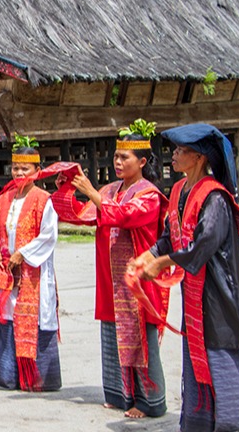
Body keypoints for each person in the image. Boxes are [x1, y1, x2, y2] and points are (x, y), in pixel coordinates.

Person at [133, 123, 239, 432]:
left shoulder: (214, 198)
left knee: (219, 357)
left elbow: (202, 246)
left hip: (221, 295)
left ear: (200, 158)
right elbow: (171, 235)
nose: (174, 155)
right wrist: (150, 253)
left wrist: (163, 262)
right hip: (196, 293)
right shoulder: (179, 190)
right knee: (195, 359)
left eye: (181, 150)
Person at [52, 119, 169, 418]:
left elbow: (124, 216)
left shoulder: (149, 195)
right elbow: (80, 215)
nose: (117, 162)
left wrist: (92, 192)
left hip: (136, 280)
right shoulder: (111, 189)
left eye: (124, 157)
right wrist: (67, 189)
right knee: (112, 336)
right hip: (110, 279)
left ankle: (149, 401)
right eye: (116, 156)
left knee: (141, 341)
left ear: (142, 162)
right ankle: (120, 395)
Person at [0, 136, 61, 391]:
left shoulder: (44, 199)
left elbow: (49, 235)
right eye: (16, 168)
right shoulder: (3, 199)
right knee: (8, 319)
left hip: (32, 275)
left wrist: (23, 254)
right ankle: (10, 377)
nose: (19, 173)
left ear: (37, 170)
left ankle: (37, 379)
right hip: (7, 274)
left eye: (25, 168)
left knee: (33, 319)